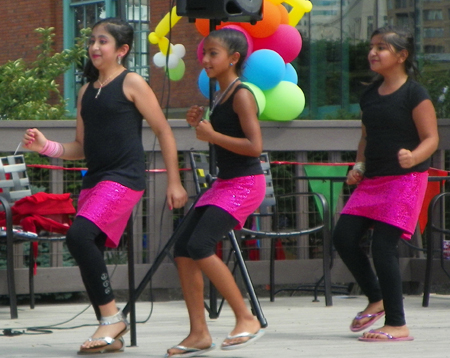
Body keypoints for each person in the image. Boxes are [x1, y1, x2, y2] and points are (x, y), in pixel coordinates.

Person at [22, 18, 188, 354]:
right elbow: (79, 147)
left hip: (124, 178)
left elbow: (164, 132)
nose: (95, 47)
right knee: (88, 248)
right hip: (95, 181)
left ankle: (112, 317)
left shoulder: (133, 83)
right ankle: (109, 331)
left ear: (122, 50)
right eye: (92, 41)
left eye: (103, 41)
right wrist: (45, 147)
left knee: (78, 235)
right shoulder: (86, 91)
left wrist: (175, 181)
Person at [333, 26, 438, 342]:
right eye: (372, 46)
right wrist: (359, 165)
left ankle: (397, 323)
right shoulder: (369, 94)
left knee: (383, 247)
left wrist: (413, 155)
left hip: (405, 180)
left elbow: (431, 138)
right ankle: (375, 297)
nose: (373, 52)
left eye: (382, 47)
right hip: (373, 180)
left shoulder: (414, 93)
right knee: (344, 236)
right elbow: (366, 136)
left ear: (401, 56)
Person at [165, 28, 266, 357]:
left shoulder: (242, 94)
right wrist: (201, 126)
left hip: (246, 183)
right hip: (225, 182)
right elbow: (220, 135)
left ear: (233, 59)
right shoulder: (219, 95)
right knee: (182, 248)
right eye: (205, 53)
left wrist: (210, 135)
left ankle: (246, 318)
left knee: (200, 244)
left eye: (213, 54)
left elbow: (255, 147)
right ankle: (198, 333)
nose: (205, 60)